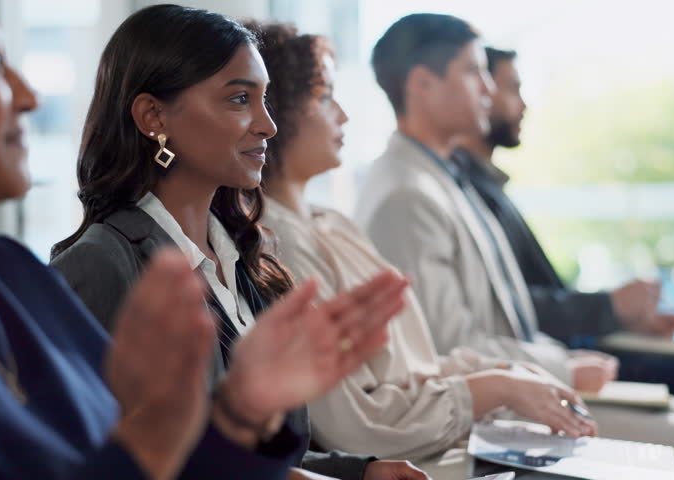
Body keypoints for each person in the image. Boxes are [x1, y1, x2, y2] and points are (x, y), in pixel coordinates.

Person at [0, 1, 402, 479]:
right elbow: (138, 454)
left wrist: (239, 415)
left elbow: (136, 457)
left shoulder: (12, 271)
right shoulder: (93, 265)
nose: (28, 96)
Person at [356, 13, 674, 480]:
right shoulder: (406, 196)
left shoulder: (445, 178)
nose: (487, 87)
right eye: (473, 71)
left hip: (527, 383)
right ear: (422, 84)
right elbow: (448, 344)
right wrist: (561, 366)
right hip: (496, 410)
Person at [49, 5, 426, 480]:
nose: (267, 124)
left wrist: (359, 473)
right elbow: (120, 465)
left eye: (264, 100)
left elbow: (252, 456)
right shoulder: (100, 266)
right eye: (238, 99)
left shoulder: (245, 258)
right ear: (152, 116)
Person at [248, 20, 596, 473]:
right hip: (421, 456)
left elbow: (419, 363)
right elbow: (357, 423)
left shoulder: (330, 222)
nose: (345, 116)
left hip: (443, 433)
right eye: (326, 97)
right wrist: (495, 386)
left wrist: (506, 376)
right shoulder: (283, 245)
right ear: (279, 111)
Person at [463, 45, 674, 442]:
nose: (521, 104)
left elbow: (532, 299)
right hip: (561, 358)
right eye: (510, 89)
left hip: (575, 349)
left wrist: (626, 317)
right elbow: (510, 310)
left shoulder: (490, 190)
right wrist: (611, 307)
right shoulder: (465, 196)